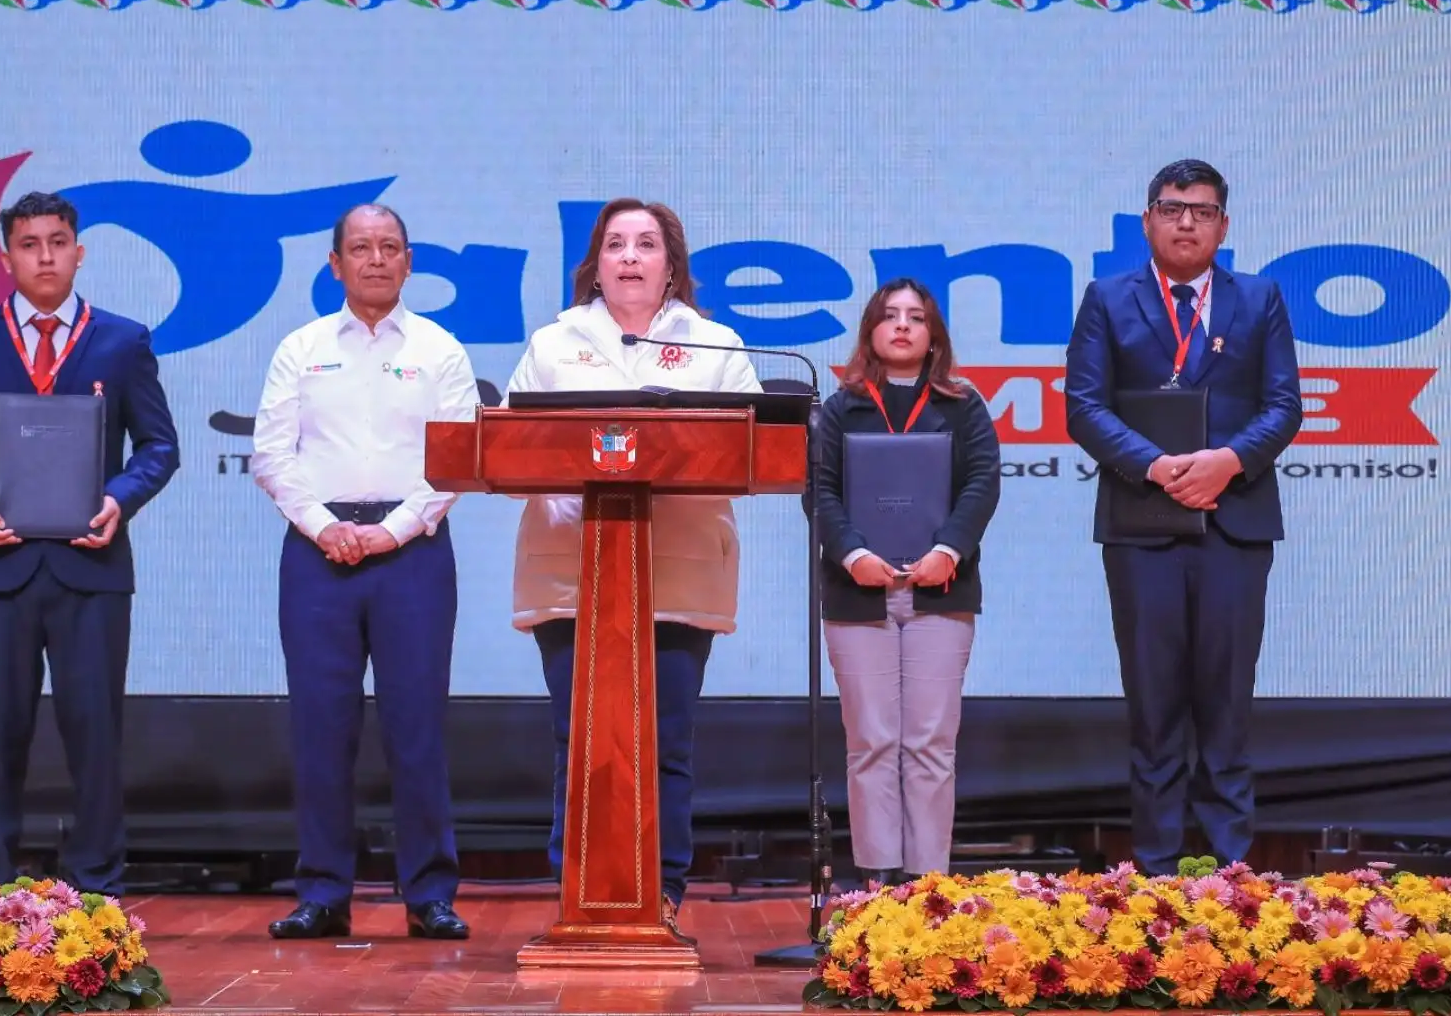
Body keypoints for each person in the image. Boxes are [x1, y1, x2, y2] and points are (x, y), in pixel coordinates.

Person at [0, 190, 180, 896]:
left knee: (96, 736)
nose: (46, 255)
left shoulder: (123, 340)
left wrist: (120, 497)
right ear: (7, 257)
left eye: (59, 241)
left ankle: (97, 887)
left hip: (92, 569)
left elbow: (159, 445)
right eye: (30, 244)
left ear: (79, 251)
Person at [503, 197, 762, 941]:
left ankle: (665, 889)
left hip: (677, 573)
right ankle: (578, 888)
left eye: (645, 243)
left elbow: (749, 448)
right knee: (577, 737)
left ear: (670, 264)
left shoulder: (715, 344)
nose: (629, 256)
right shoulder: (553, 344)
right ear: (596, 262)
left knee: (667, 740)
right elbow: (514, 445)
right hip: (570, 570)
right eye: (615, 243)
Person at [1065, 159, 1303, 876]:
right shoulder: (1108, 298)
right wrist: (1157, 464)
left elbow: (1284, 405)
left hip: (1236, 526)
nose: (1187, 222)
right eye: (1172, 208)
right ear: (1148, 220)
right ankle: (1159, 871)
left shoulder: (1259, 299)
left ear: (1223, 225)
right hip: (1143, 525)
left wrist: (1225, 461)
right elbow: (1084, 405)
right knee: (1156, 707)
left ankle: (1232, 873)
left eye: (1201, 210)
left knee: (1226, 708)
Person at [250, 203, 479, 941]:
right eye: (360, 247)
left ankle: (429, 893)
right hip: (317, 553)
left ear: (409, 261)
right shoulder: (301, 347)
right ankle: (322, 890)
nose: (376, 259)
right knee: (321, 727)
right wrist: (326, 527)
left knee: (417, 727)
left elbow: (456, 458)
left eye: (389, 247)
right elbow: (271, 455)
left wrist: (389, 532)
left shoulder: (441, 348)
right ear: (335, 264)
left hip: (411, 553)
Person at [812, 280, 1001, 886]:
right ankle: (876, 885)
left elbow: (982, 484)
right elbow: (819, 492)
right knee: (871, 743)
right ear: (870, 330)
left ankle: (929, 890)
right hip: (856, 595)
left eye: (915, 317)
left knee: (929, 745)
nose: (901, 326)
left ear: (933, 335)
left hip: (940, 590)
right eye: (889, 316)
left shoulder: (963, 404)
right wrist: (852, 554)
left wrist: (948, 550)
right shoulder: (839, 408)